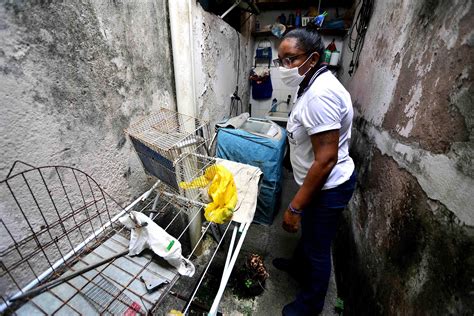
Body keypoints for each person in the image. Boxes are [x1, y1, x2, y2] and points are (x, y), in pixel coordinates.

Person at [272, 22, 356, 316]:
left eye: (290, 59)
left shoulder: (320, 95)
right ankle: (297, 265)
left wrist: (294, 207)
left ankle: (309, 306)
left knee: (319, 250)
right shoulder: (309, 83)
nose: (284, 66)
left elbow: (326, 160)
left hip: (327, 186)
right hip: (316, 180)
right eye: (280, 60)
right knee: (310, 236)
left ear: (313, 58)